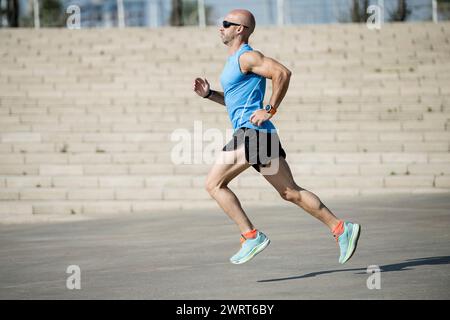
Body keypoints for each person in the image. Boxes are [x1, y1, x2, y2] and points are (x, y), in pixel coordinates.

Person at [192, 9, 361, 265]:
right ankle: (340, 228)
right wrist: (208, 95)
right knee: (290, 192)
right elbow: (234, 103)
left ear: (240, 29)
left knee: (213, 184)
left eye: (226, 23)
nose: (221, 27)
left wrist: (270, 109)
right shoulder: (233, 62)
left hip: (253, 134)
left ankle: (251, 236)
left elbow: (282, 73)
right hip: (261, 136)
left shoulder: (247, 56)